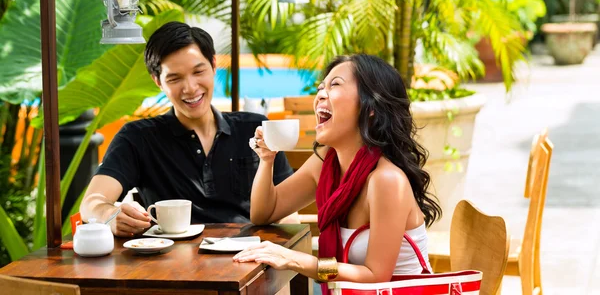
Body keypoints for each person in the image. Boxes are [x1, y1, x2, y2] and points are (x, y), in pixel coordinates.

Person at [233, 54, 441, 289]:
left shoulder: (386, 180)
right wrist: (267, 159)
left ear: (370, 107)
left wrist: (294, 259)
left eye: (335, 85)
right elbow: (263, 213)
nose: (320, 94)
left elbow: (376, 276)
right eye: (321, 87)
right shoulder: (324, 164)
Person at [80, 22, 295, 237]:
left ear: (213, 65)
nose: (190, 88)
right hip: (173, 265)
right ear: (158, 82)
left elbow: (287, 212)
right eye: (175, 78)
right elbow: (91, 203)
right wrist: (109, 215)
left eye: (198, 71)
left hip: (250, 258)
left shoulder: (254, 128)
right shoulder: (138, 138)